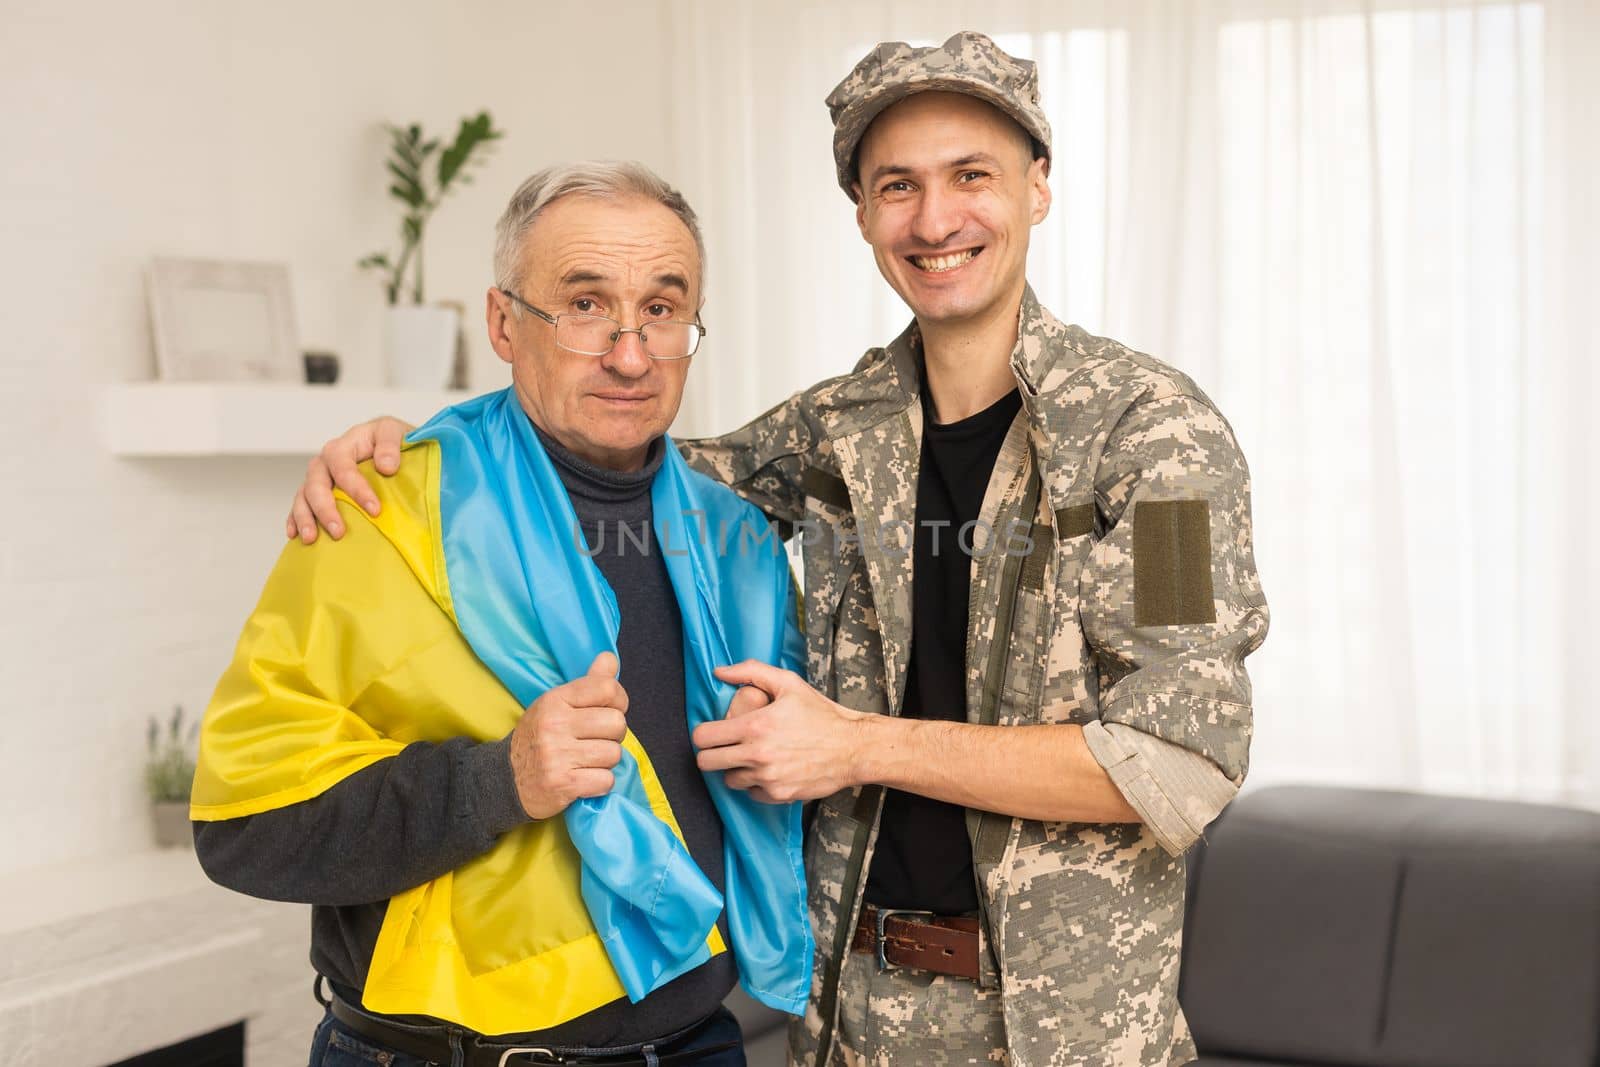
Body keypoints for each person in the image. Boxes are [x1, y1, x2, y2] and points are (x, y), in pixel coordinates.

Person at [288, 33, 1268, 1066]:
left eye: (969, 176)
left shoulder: (1160, 447)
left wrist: (854, 743)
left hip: (1072, 1034)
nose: (934, 219)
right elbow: (610, 453)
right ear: (863, 216)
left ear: (1037, 188)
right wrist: (411, 452)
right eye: (897, 186)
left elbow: (1175, 762)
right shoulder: (833, 433)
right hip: (849, 1022)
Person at [192, 162, 815, 1067]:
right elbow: (241, 830)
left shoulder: (737, 538)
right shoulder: (381, 513)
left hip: (699, 1045)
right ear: (502, 324)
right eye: (586, 304)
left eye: (662, 309)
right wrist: (500, 780)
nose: (630, 351)